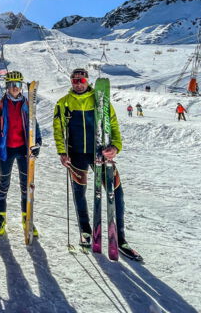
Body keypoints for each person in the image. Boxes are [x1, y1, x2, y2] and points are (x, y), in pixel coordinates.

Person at [53, 68, 142, 261]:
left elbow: (113, 125)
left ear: (87, 81)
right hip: (76, 154)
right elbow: (58, 129)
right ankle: (86, 231)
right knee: (79, 193)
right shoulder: (63, 103)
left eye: (81, 80)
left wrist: (116, 147)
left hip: (99, 153)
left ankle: (120, 237)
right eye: (74, 80)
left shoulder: (100, 101)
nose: (78, 83)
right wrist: (62, 152)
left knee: (116, 193)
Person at [0, 70, 41, 237]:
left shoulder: (28, 104)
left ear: (21, 86)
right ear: (7, 86)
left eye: (17, 85)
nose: (14, 88)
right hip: (5, 149)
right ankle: (1, 217)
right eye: (11, 85)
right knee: (4, 183)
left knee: (26, 185)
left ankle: (27, 218)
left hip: (24, 150)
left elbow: (34, 125)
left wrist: (37, 143)